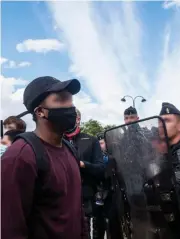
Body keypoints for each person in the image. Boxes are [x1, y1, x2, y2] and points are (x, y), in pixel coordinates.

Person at [1, 76, 87, 238]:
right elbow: (11, 228)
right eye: (62, 99)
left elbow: (76, 209)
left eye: (71, 100)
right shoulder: (20, 156)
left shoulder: (70, 150)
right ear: (40, 111)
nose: (71, 107)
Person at [64, 108, 105, 239]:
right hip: (60, 199)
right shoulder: (55, 139)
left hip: (84, 198)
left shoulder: (90, 140)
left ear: (78, 119)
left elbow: (100, 169)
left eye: (71, 116)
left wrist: (83, 164)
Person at [159, 102, 180, 236]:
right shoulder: (166, 153)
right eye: (160, 121)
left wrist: (156, 183)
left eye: (167, 120)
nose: (161, 124)